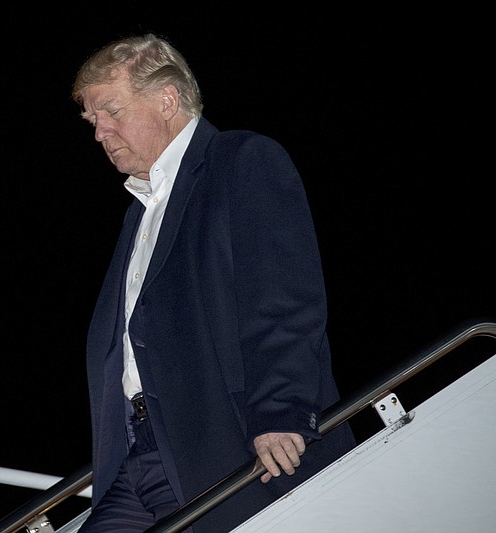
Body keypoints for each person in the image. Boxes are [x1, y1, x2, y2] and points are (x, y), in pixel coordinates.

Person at [71, 33, 356, 533]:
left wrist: (280, 411)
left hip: (216, 444)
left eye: (111, 110)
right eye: (93, 120)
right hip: (137, 455)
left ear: (166, 99)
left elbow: (283, 299)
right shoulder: (137, 215)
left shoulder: (239, 160)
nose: (100, 131)